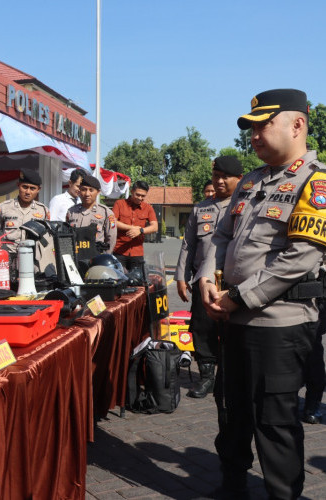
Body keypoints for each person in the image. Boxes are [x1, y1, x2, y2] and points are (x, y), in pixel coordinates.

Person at [198, 89, 326, 499]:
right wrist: (206, 279)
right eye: (250, 128)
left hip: (279, 324)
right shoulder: (250, 181)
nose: (253, 135)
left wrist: (238, 297)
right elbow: (220, 236)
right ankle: (232, 487)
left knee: (274, 422)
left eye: (262, 125)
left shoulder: (315, 180)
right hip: (233, 319)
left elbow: (301, 256)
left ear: (297, 124)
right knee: (232, 414)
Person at [175, 156, 243, 399]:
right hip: (203, 281)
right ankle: (206, 377)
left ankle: (227, 376)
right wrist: (181, 277)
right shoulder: (200, 208)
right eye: (216, 176)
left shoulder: (243, 206)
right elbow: (188, 245)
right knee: (202, 329)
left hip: (234, 282)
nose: (220, 181)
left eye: (225, 177)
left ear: (239, 179)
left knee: (232, 331)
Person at [0, 170, 54, 274]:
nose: (28, 192)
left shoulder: (43, 211)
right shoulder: (4, 208)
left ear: (38, 190)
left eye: (32, 188)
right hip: (8, 261)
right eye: (24, 187)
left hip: (33, 263)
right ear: (18, 185)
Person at [112, 180, 158, 271]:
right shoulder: (119, 204)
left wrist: (141, 230)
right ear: (132, 191)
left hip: (137, 253)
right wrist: (132, 228)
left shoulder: (148, 208)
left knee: (137, 282)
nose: (140, 198)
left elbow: (155, 227)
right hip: (119, 252)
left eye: (143, 196)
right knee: (119, 281)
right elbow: (113, 222)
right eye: (138, 195)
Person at [66, 172, 117, 254]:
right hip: (75, 258)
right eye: (84, 189)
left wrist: (103, 259)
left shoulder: (106, 213)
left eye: (91, 190)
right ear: (79, 191)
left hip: (96, 260)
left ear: (98, 192)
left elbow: (111, 240)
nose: (87, 194)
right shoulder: (71, 212)